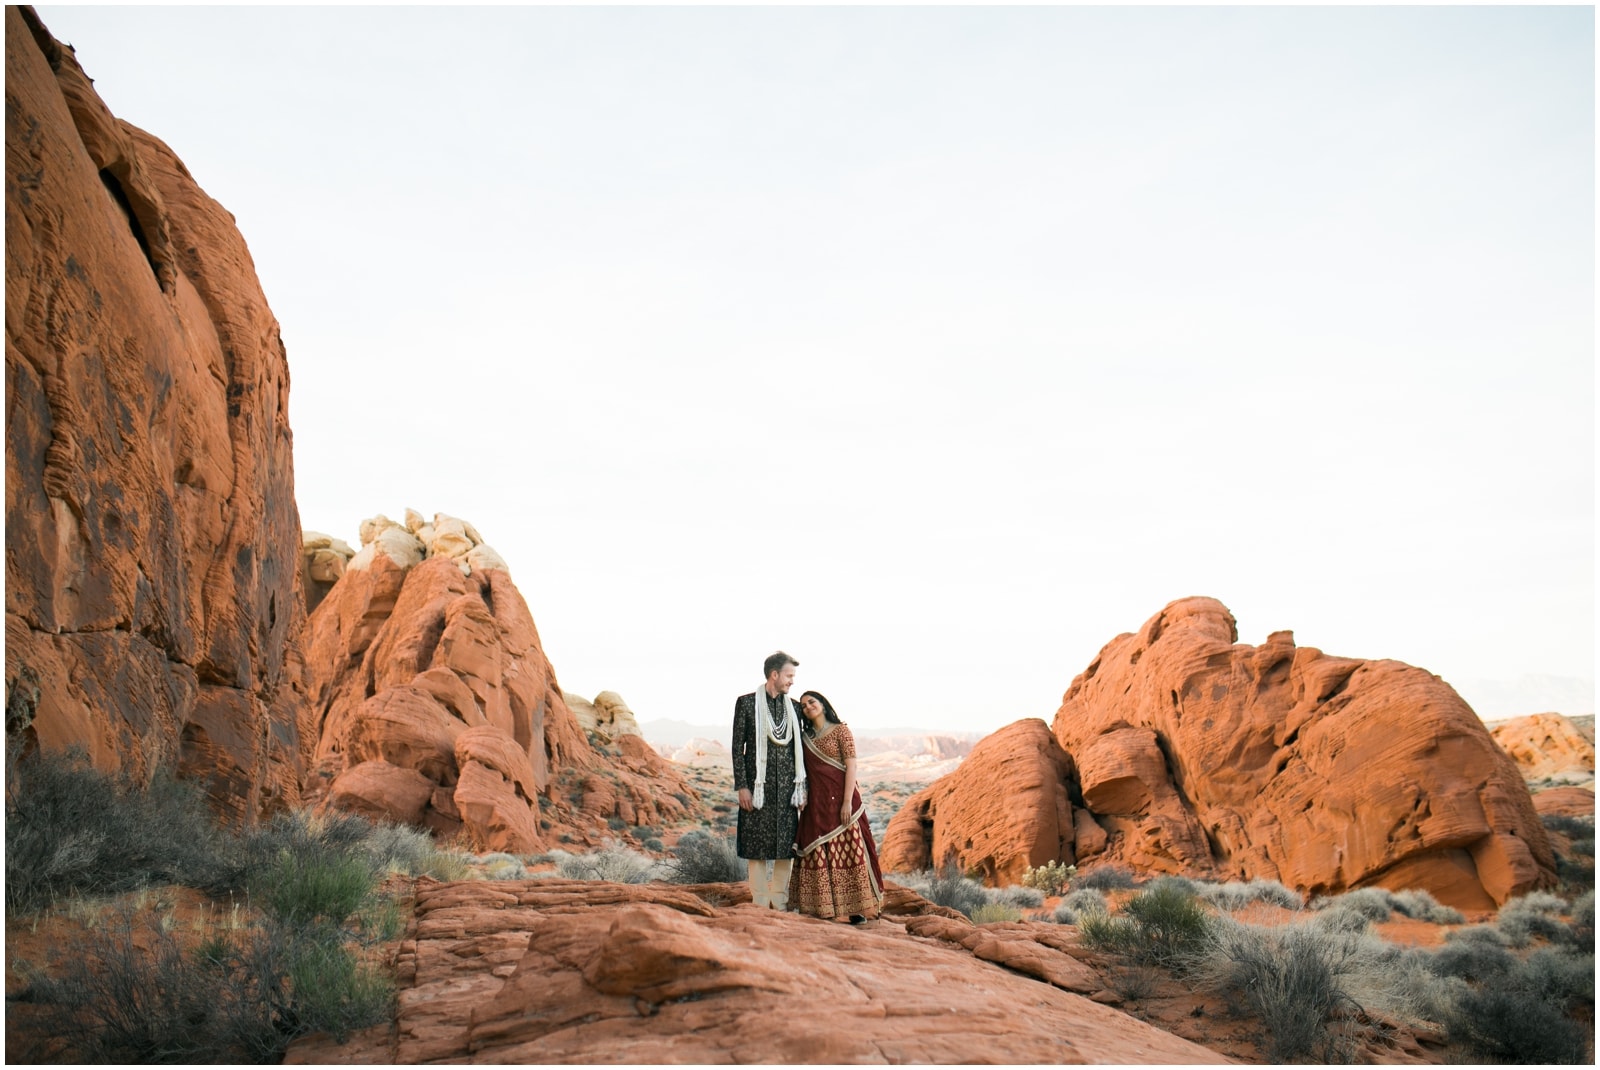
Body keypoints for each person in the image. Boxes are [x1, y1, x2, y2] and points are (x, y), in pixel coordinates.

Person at [787, 690, 884, 923]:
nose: (808, 706)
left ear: (822, 704)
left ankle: (856, 909)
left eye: (812, 702)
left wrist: (847, 802)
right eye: (803, 705)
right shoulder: (805, 737)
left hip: (843, 799)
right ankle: (823, 907)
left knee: (850, 852)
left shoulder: (841, 730)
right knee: (819, 850)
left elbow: (851, 767)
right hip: (817, 802)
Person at [732, 651, 807, 909]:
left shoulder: (795, 708)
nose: (792, 681)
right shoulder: (746, 704)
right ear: (774, 675)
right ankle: (760, 902)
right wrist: (742, 786)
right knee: (757, 846)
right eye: (789, 676)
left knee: (787, 847)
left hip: (788, 790)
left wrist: (802, 790)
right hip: (757, 788)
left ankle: (780, 901)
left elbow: (803, 750)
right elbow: (737, 749)